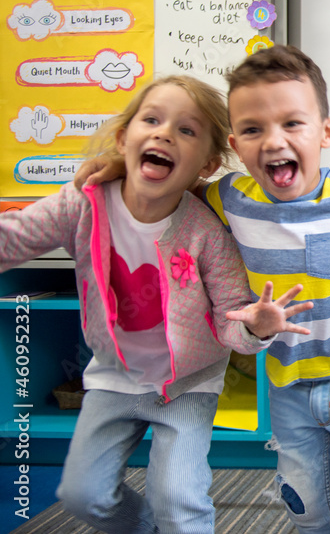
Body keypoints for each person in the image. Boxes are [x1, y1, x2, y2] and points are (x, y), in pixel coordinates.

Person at [77, 45, 330, 533]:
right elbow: (171, 172)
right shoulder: (229, 196)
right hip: (288, 383)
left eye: (293, 123)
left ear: (326, 132)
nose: (274, 141)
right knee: (306, 508)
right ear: (235, 140)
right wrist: (120, 166)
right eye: (253, 129)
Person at [1, 76, 311, 534]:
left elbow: (232, 324)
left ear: (206, 164)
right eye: (151, 120)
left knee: (179, 504)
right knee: (83, 497)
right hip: (113, 377)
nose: (164, 133)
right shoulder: (83, 204)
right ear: (124, 138)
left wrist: (256, 327)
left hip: (188, 383)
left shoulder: (206, 232)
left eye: (186, 130)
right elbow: (15, 239)